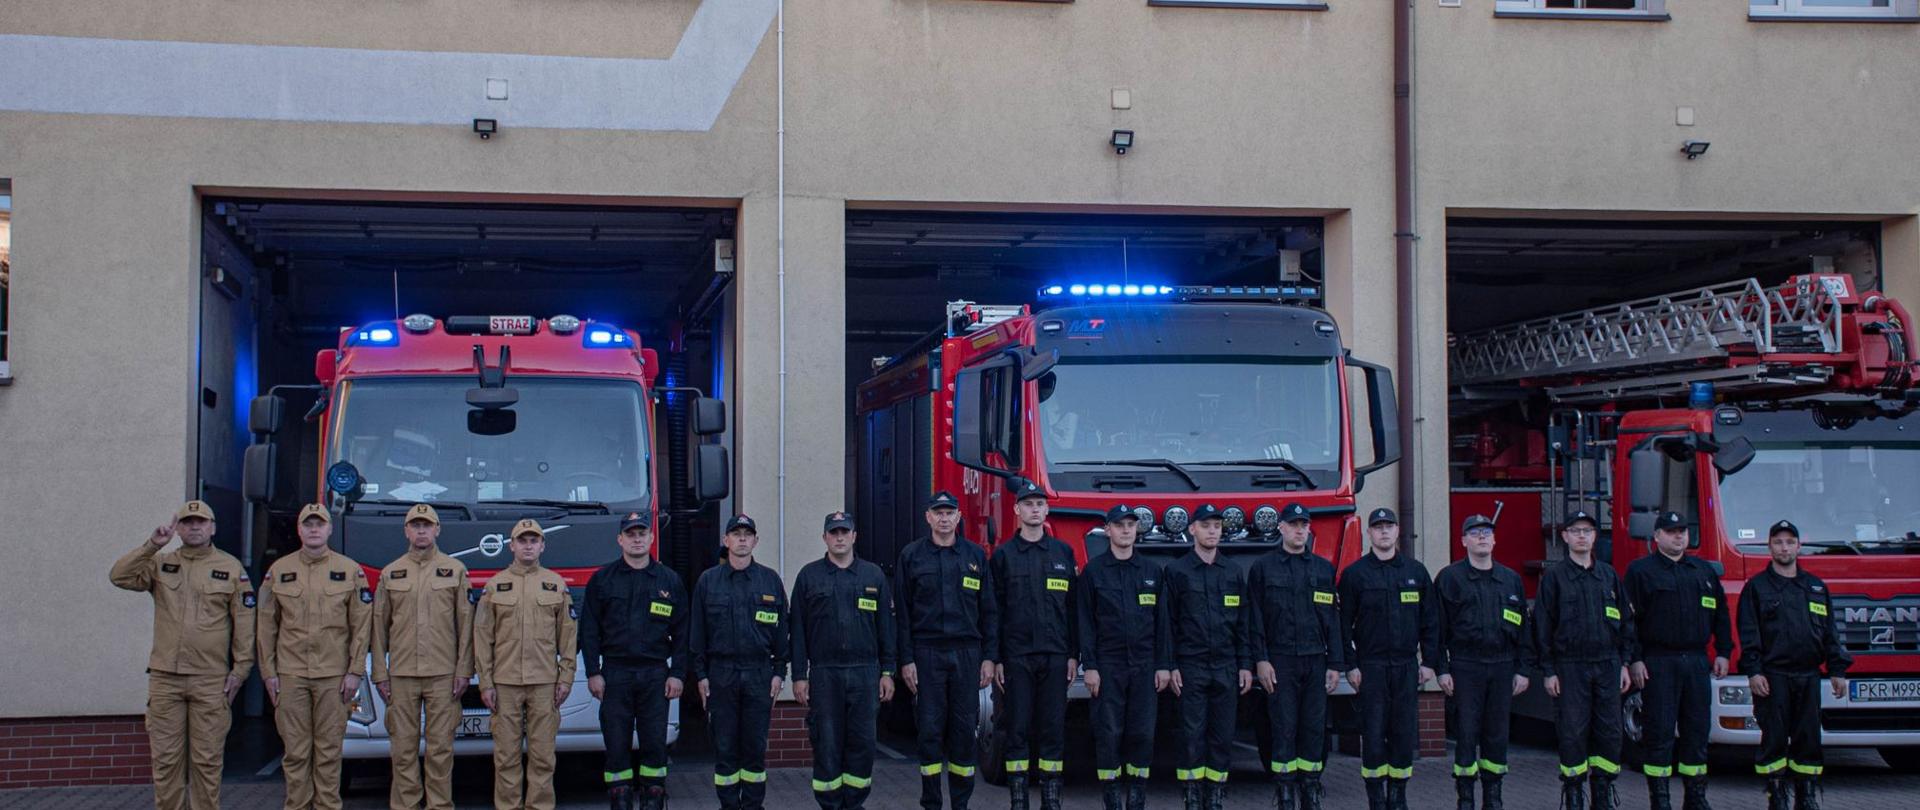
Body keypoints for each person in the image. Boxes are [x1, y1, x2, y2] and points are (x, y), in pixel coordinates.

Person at [109, 500, 255, 810]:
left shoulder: (231, 568)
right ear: (178, 529)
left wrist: (240, 671)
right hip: (166, 681)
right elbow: (119, 576)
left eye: (201, 522)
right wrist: (152, 545)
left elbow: (245, 624)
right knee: (166, 762)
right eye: (187, 522)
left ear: (213, 528)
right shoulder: (161, 563)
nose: (194, 527)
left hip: (210, 680)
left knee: (207, 762)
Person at [257, 503, 373, 810]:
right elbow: (266, 627)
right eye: (307, 524)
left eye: (319, 524)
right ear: (299, 530)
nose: (313, 529)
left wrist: (355, 672)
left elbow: (361, 627)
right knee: (295, 753)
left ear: (329, 529)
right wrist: (269, 673)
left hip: (334, 677)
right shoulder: (278, 571)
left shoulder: (350, 571)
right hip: (291, 675)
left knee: (329, 753)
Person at [1736, 520, 1850, 810]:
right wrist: (1754, 672)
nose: (1784, 548)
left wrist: (1837, 670)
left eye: (1789, 542)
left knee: (1808, 739)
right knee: (1774, 739)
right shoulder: (1757, 588)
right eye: (1778, 542)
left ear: (1799, 546)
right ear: (1770, 547)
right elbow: (1749, 633)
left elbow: (1830, 633)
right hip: (1773, 677)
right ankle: (1776, 796)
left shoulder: (1815, 587)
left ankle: (1806, 796)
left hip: (1809, 676)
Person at [896, 492, 998, 810]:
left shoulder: (975, 556)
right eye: (938, 513)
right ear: (928, 517)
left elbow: (989, 611)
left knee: (964, 731)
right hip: (927, 653)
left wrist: (989, 657)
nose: (943, 518)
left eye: (949, 513)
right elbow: (902, 614)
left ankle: (960, 803)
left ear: (958, 517)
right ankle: (931, 802)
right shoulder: (911, 556)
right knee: (929, 731)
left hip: (967, 653)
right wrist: (906, 659)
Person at [580, 511, 687, 810]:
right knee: (616, 746)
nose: (637, 539)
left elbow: (683, 632)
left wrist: (678, 673)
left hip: (655, 675)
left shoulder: (669, 581)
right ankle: (620, 801)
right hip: (616, 675)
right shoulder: (603, 580)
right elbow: (589, 630)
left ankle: (654, 799)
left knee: (654, 746)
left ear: (651, 538)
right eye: (631, 534)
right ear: (620, 540)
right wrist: (593, 672)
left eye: (642, 533)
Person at [791, 511, 897, 810]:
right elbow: (797, 631)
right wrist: (799, 675)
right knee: (827, 743)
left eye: (844, 532)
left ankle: (854, 803)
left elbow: (886, 629)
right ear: (824, 537)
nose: (839, 538)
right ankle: (829, 804)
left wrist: (888, 671)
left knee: (862, 743)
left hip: (865, 673)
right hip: (825, 674)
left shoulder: (873, 576)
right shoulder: (809, 576)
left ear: (854, 536)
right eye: (833, 533)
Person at [1626, 511, 1732, 810]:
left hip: (1696, 661)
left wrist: (1723, 651)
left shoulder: (1702, 571)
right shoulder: (1641, 572)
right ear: (1657, 536)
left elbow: (1721, 614)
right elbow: (1628, 621)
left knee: (1696, 731)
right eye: (1671, 532)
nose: (1678, 537)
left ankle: (1695, 797)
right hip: (1659, 662)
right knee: (1659, 733)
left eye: (1682, 531)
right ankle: (1660, 800)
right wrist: (1635, 659)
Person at [371, 503, 472, 810]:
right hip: (401, 676)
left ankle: (439, 805)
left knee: (440, 751)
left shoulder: (455, 570)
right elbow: (378, 628)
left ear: (437, 529)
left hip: (443, 675)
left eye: (427, 525)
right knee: (402, 751)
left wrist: (464, 670)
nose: (421, 531)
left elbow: (466, 626)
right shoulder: (391, 573)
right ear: (406, 531)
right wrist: (380, 673)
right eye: (415, 525)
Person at [1338, 507, 1439, 810]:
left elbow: (1431, 621)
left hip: (1406, 666)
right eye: (1378, 527)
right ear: (1369, 533)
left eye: (1389, 526)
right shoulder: (1355, 575)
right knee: (1372, 733)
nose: (1384, 531)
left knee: (1403, 733)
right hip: (1371, 667)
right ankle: (1376, 798)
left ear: (1397, 531)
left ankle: (1398, 796)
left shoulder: (1416, 573)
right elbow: (1343, 625)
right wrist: (1350, 665)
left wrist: (1429, 662)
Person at [474, 519, 579, 810]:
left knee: (543, 756)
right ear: (512, 546)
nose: (528, 546)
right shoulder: (495, 586)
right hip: (505, 684)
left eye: (534, 541)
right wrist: (485, 682)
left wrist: (566, 678)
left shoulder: (555, 585)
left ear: (542, 546)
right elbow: (482, 637)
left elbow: (568, 636)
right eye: (523, 541)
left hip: (544, 683)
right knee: (506, 757)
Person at [1535, 511, 1635, 810]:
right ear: (1565, 536)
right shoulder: (1554, 578)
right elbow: (1542, 626)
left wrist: (1625, 663)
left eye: (1588, 531)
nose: (1582, 536)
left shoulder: (1608, 576)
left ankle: (1602, 793)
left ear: (1595, 537)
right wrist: (1549, 670)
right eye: (1576, 530)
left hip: (1608, 664)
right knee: (1573, 731)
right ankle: (1574, 793)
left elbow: (1626, 622)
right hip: (1570, 666)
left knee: (1609, 731)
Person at [1247, 503, 1345, 810]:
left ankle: (1310, 789)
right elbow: (1255, 619)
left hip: (1315, 659)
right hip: (1280, 661)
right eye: (1293, 524)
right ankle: (1285, 792)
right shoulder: (1263, 568)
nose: (1300, 530)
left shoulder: (1322, 569)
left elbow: (1332, 620)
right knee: (1283, 727)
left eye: (1304, 525)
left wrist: (1335, 663)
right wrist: (1261, 660)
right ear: (1282, 528)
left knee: (1314, 728)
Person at [989, 477, 1078, 810]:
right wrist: (996, 657)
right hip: (1017, 656)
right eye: (1028, 504)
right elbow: (994, 610)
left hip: (1055, 655)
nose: (1035, 509)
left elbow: (1072, 609)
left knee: (1053, 727)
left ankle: (1051, 798)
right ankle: (1019, 798)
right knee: (1018, 727)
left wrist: (1073, 654)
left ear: (1047, 510)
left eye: (1040, 504)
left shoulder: (1062, 553)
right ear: (1017, 510)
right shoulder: (1003, 556)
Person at [690, 514, 790, 810]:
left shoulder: (770, 580)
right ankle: (729, 805)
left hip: (759, 674)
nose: (742, 539)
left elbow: (782, 632)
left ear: (756, 541)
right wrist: (701, 675)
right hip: (721, 674)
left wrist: (779, 672)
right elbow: (697, 635)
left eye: (747, 534)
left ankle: (753, 806)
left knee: (755, 749)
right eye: (736, 534)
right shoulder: (709, 581)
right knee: (725, 749)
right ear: (726, 540)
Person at [1434, 514, 1532, 810]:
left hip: (1502, 665)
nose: (1481, 538)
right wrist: (1442, 669)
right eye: (1474, 533)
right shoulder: (1450, 578)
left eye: (1487, 533)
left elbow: (1524, 630)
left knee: (1497, 734)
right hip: (1466, 665)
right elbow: (1438, 629)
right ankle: (1465, 798)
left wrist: (1523, 669)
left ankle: (1493, 797)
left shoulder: (1510, 580)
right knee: (1466, 732)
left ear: (1494, 539)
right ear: (1463, 540)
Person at [1077, 504, 1171, 810]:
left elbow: (1162, 624)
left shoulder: (1152, 572)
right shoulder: (1093, 572)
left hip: (1144, 665)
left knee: (1142, 733)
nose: (1126, 530)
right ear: (1108, 531)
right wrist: (1090, 666)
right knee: (1109, 732)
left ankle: (1137, 797)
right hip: (1108, 665)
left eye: (1131, 525)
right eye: (1120, 525)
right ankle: (1112, 798)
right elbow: (1085, 623)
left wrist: (1164, 665)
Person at [1163, 503, 1252, 810]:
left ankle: (1215, 795)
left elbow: (1243, 624)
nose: (1212, 531)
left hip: (1226, 665)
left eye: (1217, 526)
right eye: (1206, 525)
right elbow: (1168, 623)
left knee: (1222, 736)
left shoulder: (1233, 572)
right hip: (1191, 665)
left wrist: (1245, 665)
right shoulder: (1177, 571)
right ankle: (1192, 795)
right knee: (1191, 735)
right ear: (1192, 530)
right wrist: (1171, 664)